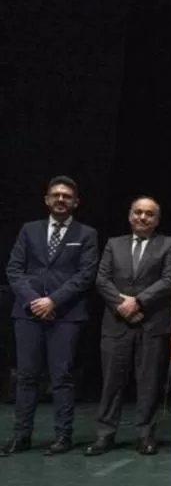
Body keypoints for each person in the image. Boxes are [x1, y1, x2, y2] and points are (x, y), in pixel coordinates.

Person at [1, 176, 98, 457]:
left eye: (67, 196)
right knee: (27, 377)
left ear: (75, 202)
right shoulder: (29, 230)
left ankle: (62, 436)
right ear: (46, 199)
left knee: (62, 377)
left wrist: (53, 300)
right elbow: (14, 269)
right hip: (28, 313)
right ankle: (21, 436)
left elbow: (85, 275)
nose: (60, 199)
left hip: (65, 314)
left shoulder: (86, 234)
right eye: (55, 194)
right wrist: (34, 301)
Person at [85, 197, 171, 456]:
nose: (142, 217)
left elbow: (170, 280)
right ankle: (105, 435)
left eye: (149, 214)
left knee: (149, 382)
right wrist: (122, 305)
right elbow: (101, 279)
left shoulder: (168, 244)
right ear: (130, 216)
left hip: (152, 325)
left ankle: (146, 435)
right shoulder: (114, 244)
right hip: (116, 323)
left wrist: (138, 302)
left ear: (156, 220)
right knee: (112, 382)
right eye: (138, 212)